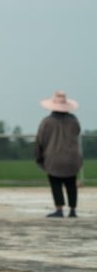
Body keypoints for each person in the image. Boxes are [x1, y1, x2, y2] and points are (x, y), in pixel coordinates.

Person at [35, 90, 83, 218]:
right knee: (71, 183)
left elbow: (40, 140)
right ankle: (73, 210)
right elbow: (77, 132)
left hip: (53, 157)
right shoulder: (74, 120)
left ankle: (59, 209)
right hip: (72, 157)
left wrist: (39, 157)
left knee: (55, 183)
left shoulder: (47, 122)